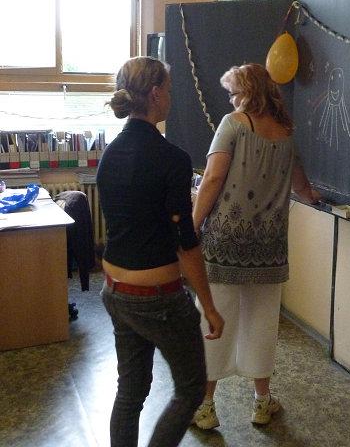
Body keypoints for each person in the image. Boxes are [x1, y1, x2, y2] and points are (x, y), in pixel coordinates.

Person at [97, 56, 224, 447]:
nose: (170, 97)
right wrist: (209, 305)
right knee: (191, 389)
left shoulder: (109, 155)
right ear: (155, 94)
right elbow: (186, 243)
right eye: (168, 90)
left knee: (131, 391)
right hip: (158, 299)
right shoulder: (172, 159)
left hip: (115, 291)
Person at [191, 63, 320, 429]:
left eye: (233, 93)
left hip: (226, 243)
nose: (231, 101)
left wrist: (192, 225)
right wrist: (317, 198)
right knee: (262, 324)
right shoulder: (286, 134)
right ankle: (262, 402)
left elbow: (213, 178)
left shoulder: (232, 124)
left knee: (214, 322)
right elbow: (302, 189)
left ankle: (205, 406)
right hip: (269, 247)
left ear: (248, 93)